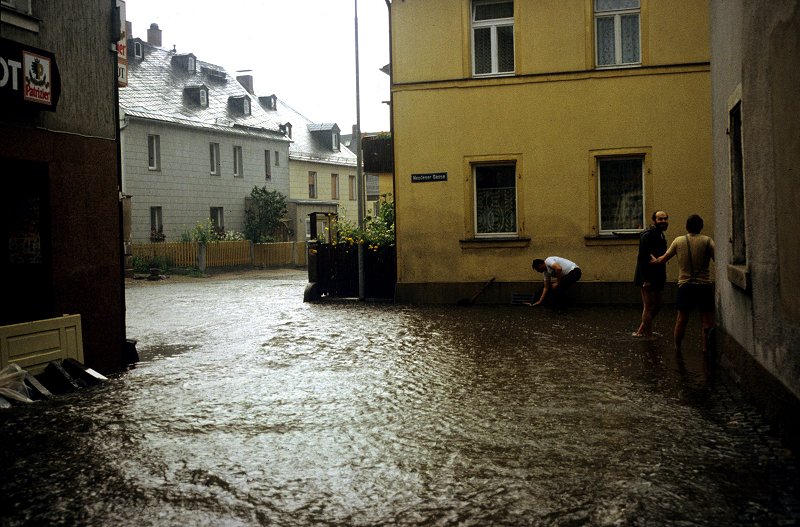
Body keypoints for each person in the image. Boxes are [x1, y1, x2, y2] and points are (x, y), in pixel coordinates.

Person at [651, 214, 716, 353]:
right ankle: (706, 348)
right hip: (704, 286)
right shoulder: (707, 241)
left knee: (681, 319)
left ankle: (677, 347)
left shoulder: (678, 241)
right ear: (701, 227)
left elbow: (662, 260)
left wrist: (651, 259)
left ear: (686, 227)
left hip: (685, 286)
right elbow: (718, 259)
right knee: (706, 320)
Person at [632, 211, 669, 338]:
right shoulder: (647, 235)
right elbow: (642, 258)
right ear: (654, 220)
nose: (663, 221)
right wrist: (646, 279)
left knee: (658, 305)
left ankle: (641, 329)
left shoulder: (660, 235)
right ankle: (648, 335)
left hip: (657, 275)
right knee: (648, 305)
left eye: (665, 219)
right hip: (647, 275)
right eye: (660, 219)